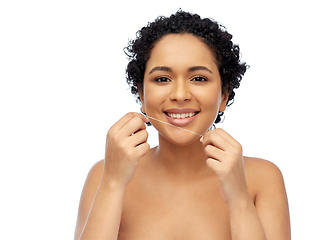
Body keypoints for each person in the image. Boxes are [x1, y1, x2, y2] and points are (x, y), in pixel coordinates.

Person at [74, 10, 291, 240]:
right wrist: (113, 183)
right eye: (162, 79)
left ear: (224, 95)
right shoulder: (104, 175)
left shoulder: (263, 179)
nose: (179, 94)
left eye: (198, 78)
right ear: (142, 94)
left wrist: (238, 199)